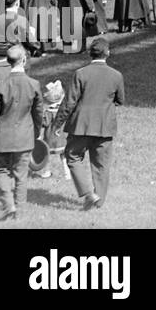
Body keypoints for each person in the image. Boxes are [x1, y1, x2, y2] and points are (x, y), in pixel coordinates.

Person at [57, 36, 125, 210]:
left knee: (72, 156)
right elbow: (121, 100)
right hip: (105, 126)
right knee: (101, 165)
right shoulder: (116, 75)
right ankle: (98, 201)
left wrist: (56, 124)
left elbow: (69, 102)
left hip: (81, 125)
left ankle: (88, 194)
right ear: (107, 53)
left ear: (89, 54)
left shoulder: (80, 74)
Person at [0, 44, 44, 222]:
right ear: (24, 60)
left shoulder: (0, 86)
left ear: (9, 61)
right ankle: (19, 210)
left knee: (0, 170)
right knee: (21, 174)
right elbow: (38, 114)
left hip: (2, 138)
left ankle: (9, 204)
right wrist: (36, 134)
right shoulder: (34, 84)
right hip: (25, 137)